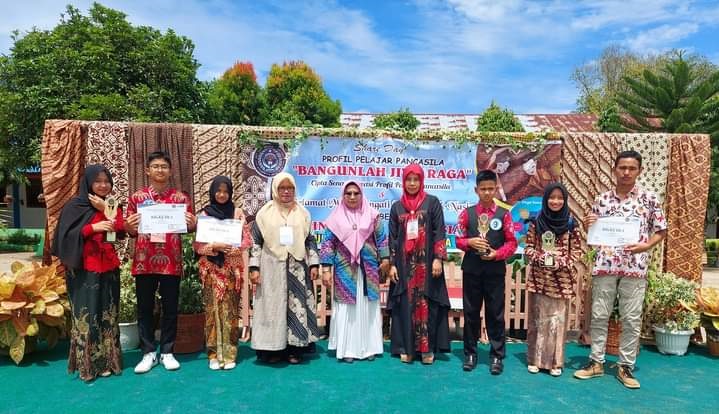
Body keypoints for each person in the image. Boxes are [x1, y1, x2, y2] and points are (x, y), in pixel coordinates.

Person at [574, 150, 667, 389]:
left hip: (635, 266)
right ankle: (596, 362)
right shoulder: (603, 199)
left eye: (631, 168)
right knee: (599, 314)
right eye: (622, 167)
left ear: (639, 171)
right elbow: (594, 233)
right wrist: (588, 225)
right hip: (606, 264)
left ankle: (625, 366)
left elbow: (661, 230)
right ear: (614, 169)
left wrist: (645, 245)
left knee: (632, 317)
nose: (626, 172)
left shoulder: (649, 199)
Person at [124, 151, 197, 374]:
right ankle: (147, 352)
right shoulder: (137, 198)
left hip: (170, 261)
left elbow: (190, 228)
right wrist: (129, 225)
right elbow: (129, 231)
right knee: (145, 308)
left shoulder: (180, 199)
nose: (159, 170)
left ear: (170, 170)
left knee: (170, 308)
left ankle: (167, 351)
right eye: (155, 166)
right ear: (147, 170)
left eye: (164, 166)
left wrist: (192, 223)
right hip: (144, 261)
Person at [52, 164, 125, 382]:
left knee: (107, 315)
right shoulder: (75, 206)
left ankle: (108, 362)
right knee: (87, 316)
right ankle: (89, 365)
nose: (103, 185)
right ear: (88, 182)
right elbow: (64, 237)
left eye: (107, 181)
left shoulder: (110, 204)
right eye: (98, 181)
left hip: (109, 268)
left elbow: (119, 230)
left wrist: (106, 209)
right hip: (84, 270)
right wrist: (92, 228)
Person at [249, 172, 321, 364]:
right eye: (282, 188)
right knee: (271, 307)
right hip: (271, 267)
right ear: (275, 189)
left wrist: (314, 263)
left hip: (297, 267)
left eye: (290, 188)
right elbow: (255, 241)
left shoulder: (303, 213)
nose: (286, 192)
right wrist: (254, 268)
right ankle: (272, 350)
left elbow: (310, 240)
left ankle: (294, 349)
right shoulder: (264, 213)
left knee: (296, 306)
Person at [455, 170, 517, 375]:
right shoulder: (467, 214)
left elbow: (512, 243)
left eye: (491, 188)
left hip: (495, 271)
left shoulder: (504, 215)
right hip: (472, 270)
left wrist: (497, 254)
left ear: (496, 189)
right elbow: (458, 239)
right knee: (471, 312)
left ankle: (497, 355)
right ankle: (470, 353)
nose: (487, 193)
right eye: (483, 189)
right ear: (476, 190)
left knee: (495, 314)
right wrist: (469, 242)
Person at [388, 164, 450, 365]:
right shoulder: (397, 207)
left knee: (426, 305)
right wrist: (393, 264)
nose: (412, 183)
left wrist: (438, 258)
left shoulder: (432, 203)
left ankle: (427, 349)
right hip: (405, 267)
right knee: (406, 306)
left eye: (416, 179)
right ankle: (407, 349)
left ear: (421, 181)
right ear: (403, 181)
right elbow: (393, 237)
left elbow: (439, 231)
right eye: (408, 179)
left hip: (427, 265)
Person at [320, 181, 389, 363]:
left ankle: (369, 348)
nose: (352, 197)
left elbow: (382, 239)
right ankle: (347, 349)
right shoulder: (335, 218)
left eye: (356, 193)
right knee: (347, 308)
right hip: (345, 270)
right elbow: (327, 244)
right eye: (348, 193)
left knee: (368, 307)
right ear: (343, 195)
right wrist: (326, 268)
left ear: (361, 194)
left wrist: (385, 259)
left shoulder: (373, 215)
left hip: (369, 269)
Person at [194, 176, 251, 370]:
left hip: (230, 270)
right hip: (210, 270)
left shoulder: (237, 213)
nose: (221, 194)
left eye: (226, 191)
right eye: (218, 191)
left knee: (231, 311)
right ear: (212, 192)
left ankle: (229, 353)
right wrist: (213, 246)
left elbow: (246, 240)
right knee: (212, 311)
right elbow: (198, 245)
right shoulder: (205, 214)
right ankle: (212, 354)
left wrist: (233, 248)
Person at [524, 182, 581, 377]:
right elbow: (528, 248)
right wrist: (540, 257)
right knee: (538, 321)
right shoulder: (536, 222)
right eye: (551, 197)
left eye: (559, 198)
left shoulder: (572, 224)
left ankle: (555, 363)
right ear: (545, 199)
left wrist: (562, 261)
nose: (555, 201)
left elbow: (577, 252)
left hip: (561, 281)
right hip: (539, 279)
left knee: (557, 322)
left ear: (564, 200)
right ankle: (535, 360)